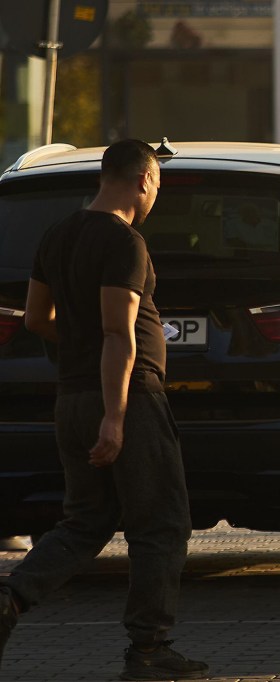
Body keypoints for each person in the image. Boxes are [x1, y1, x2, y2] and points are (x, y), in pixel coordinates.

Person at [0, 140, 208, 680]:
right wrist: (114, 418)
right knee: (161, 523)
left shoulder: (58, 234)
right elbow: (119, 332)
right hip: (129, 399)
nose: (156, 194)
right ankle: (149, 650)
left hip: (71, 396)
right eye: (157, 184)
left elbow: (35, 319)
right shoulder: (124, 241)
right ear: (142, 180)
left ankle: (10, 600)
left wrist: (80, 345)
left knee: (85, 520)